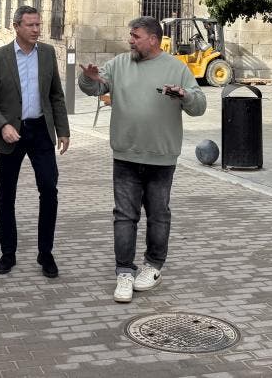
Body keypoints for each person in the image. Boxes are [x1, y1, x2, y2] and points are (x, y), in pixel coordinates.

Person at [78, 15, 205, 304]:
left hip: (161, 156)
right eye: (130, 35)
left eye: (135, 36)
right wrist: (89, 77)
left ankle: (153, 266)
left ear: (153, 39)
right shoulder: (120, 64)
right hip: (126, 154)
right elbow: (95, 87)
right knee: (124, 215)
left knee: (159, 215)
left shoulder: (176, 67)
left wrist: (185, 95)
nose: (130, 40)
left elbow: (199, 106)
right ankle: (124, 271)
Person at [0, 5, 70, 278]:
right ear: (16, 26)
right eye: (30, 25)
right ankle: (8, 253)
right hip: (11, 133)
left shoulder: (46, 54)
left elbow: (56, 94)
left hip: (40, 131)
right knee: (6, 194)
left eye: (38, 25)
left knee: (49, 190)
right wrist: (2, 125)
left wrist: (63, 130)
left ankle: (46, 253)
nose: (36, 30)